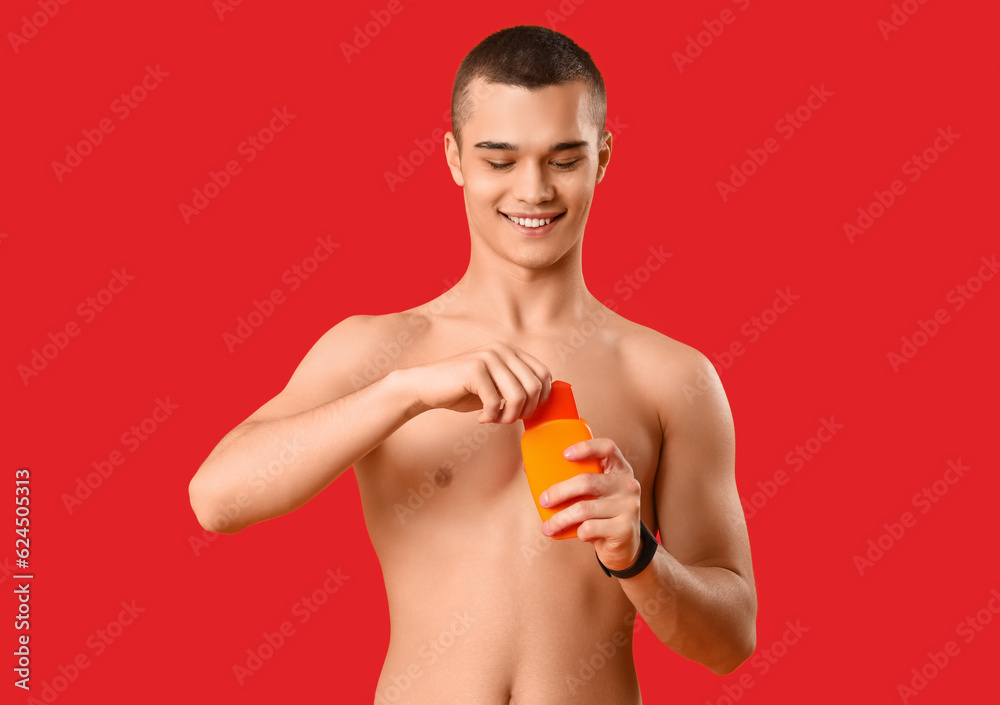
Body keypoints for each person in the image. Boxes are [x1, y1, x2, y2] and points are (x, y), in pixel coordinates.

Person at [188, 24, 756, 703]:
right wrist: (406, 391)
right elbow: (216, 499)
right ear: (455, 158)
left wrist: (638, 555)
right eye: (500, 159)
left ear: (603, 158)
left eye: (564, 159)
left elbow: (730, 641)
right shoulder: (379, 351)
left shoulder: (671, 377)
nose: (534, 189)